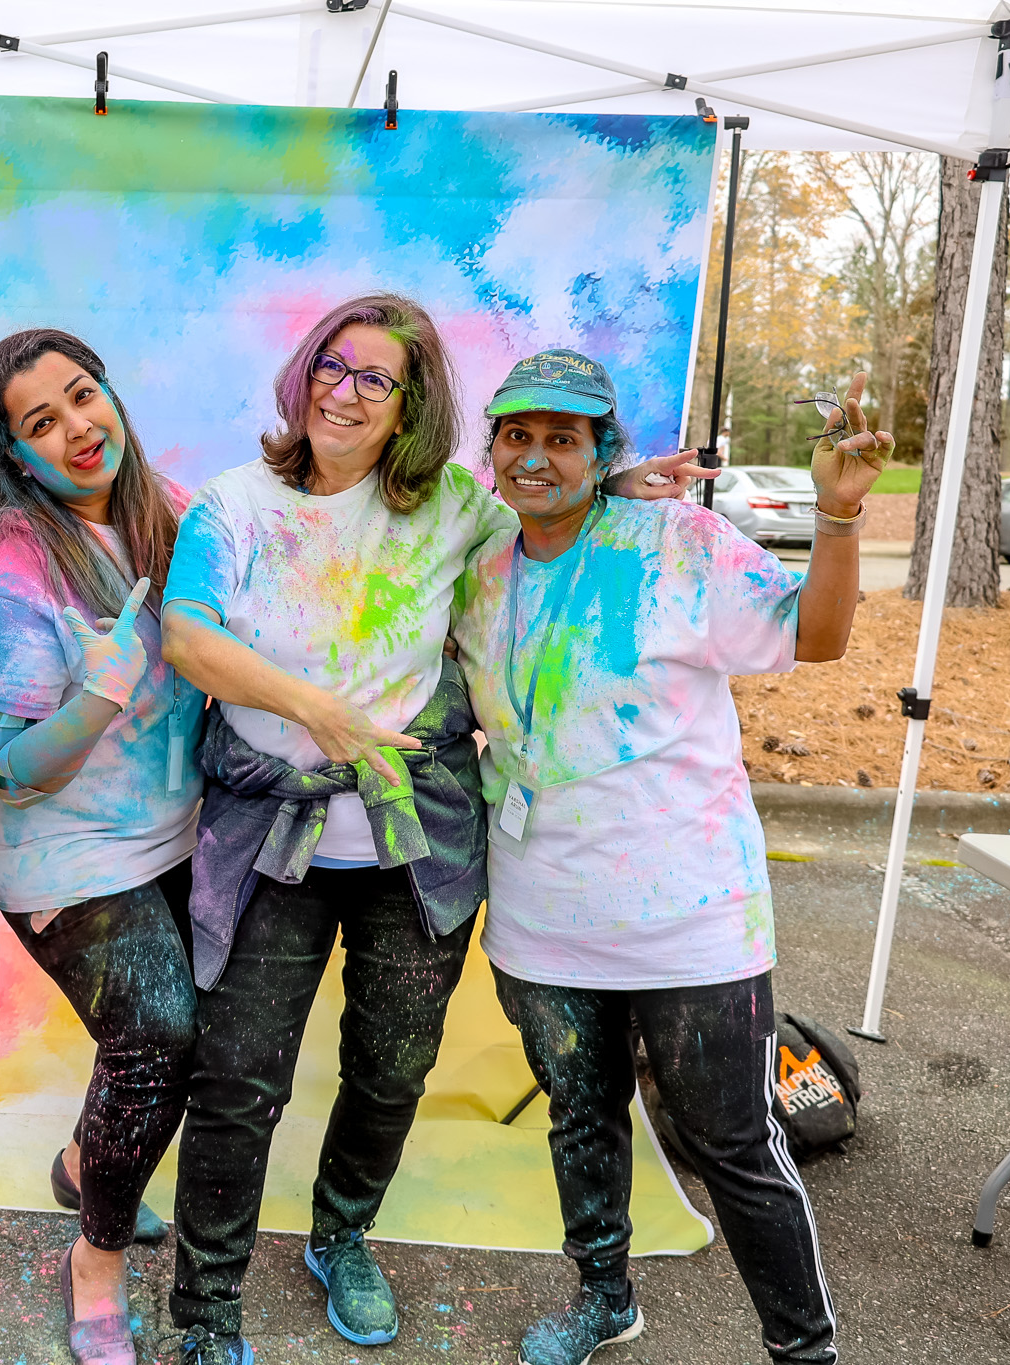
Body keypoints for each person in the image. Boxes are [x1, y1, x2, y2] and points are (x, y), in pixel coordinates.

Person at [157, 294, 699, 1363]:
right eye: (329, 365)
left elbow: (547, 526)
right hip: (272, 841)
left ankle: (340, 1235)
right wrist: (321, 716)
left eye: (372, 378)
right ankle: (206, 1312)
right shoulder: (233, 504)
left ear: (410, 404)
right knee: (237, 1081)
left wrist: (616, 484)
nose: (341, 391)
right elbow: (185, 637)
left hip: (416, 848)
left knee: (390, 1070)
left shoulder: (456, 504)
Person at [452, 353, 888, 1365]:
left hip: (688, 915)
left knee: (732, 1145)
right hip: (539, 913)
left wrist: (836, 517)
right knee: (579, 1116)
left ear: (599, 452)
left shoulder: (678, 543)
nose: (532, 457)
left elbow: (813, 637)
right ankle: (603, 1298)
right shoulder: (474, 569)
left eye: (562, 438)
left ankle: (802, 1349)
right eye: (515, 435)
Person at [0, 329, 204, 1365]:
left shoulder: (171, 515)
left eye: (81, 396)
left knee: (186, 1043)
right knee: (157, 1033)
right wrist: (101, 691)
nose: (75, 429)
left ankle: (79, 1162)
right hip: (59, 848)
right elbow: (13, 765)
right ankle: (94, 1258)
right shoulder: (14, 561)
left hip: (175, 829)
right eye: (40, 423)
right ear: (18, 457)